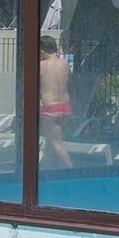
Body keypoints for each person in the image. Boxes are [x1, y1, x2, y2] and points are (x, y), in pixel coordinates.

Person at [36, 34, 73, 167]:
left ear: (41, 51)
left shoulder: (41, 65)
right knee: (50, 143)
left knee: (57, 143)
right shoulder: (64, 64)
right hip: (66, 108)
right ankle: (45, 169)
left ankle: (72, 173)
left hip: (51, 109)